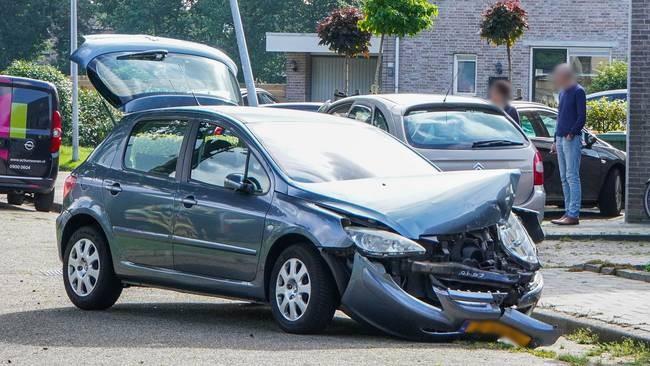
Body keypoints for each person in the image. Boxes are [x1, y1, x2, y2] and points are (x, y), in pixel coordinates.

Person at [550, 64, 586, 226]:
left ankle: (573, 213)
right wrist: (554, 141)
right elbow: (559, 117)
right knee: (564, 177)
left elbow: (581, 116)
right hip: (560, 138)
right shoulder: (563, 92)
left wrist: (572, 132)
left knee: (572, 176)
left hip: (571, 139)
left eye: (559, 75)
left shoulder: (579, 91)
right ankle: (567, 211)